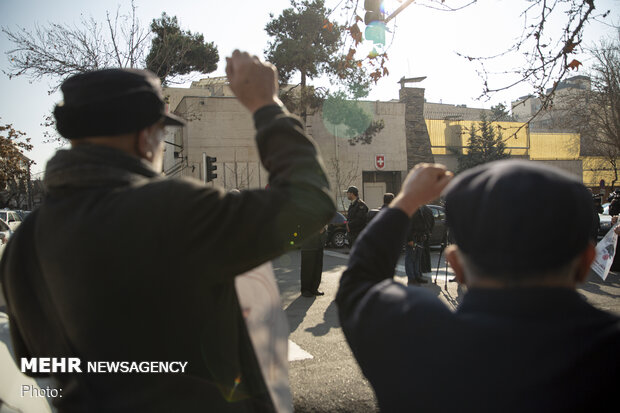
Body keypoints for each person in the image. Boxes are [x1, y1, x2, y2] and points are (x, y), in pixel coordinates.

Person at [0, 51, 335, 413]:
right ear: (146, 137)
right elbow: (309, 206)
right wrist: (266, 106)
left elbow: (34, 361)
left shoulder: (23, 243)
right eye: (162, 132)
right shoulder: (174, 209)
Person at [337, 160, 620, 412]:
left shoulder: (414, 337)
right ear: (586, 262)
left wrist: (407, 200)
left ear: (456, 266)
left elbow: (359, 282)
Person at [404, 205, 433, 284]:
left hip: (420, 237)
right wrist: (409, 239)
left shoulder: (420, 209)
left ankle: (417, 276)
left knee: (417, 258)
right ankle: (411, 278)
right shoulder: (410, 209)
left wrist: (425, 233)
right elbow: (407, 226)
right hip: (413, 237)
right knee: (410, 258)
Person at [299, 225, 327, 297]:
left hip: (319, 245)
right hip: (308, 246)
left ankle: (314, 289)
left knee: (317, 268)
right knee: (307, 269)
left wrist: (323, 229)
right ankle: (305, 290)